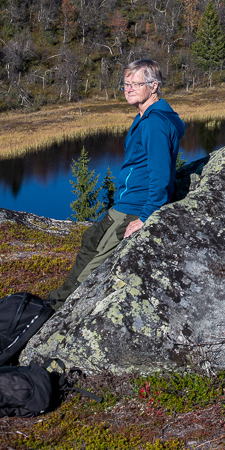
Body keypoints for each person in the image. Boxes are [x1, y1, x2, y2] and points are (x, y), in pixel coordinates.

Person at [47, 59, 185, 309]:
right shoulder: (144, 116)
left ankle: (62, 310)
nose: (128, 89)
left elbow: (161, 175)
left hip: (136, 206)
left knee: (95, 264)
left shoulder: (155, 123)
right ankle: (57, 298)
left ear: (154, 86)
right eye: (125, 84)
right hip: (124, 202)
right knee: (90, 240)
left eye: (135, 84)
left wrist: (145, 217)